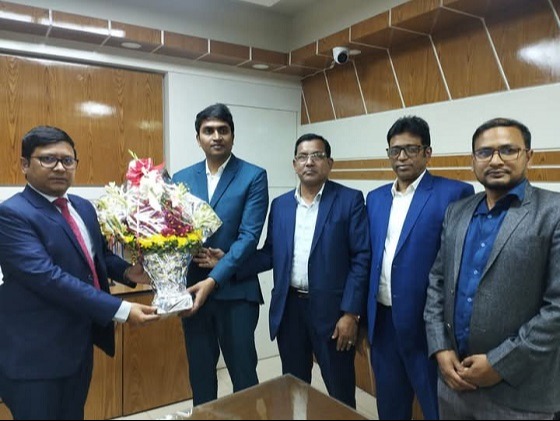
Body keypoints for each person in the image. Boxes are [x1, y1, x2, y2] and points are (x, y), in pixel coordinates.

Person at [0, 126, 159, 420]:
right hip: (34, 358)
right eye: (48, 159)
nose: (60, 167)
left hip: (77, 347)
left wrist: (129, 272)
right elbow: (48, 277)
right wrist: (121, 309)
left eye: (67, 160)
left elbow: (98, 257)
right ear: (24, 165)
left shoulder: (83, 207)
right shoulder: (11, 214)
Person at [204, 133, 370, 408]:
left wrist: (351, 313)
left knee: (339, 391)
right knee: (293, 386)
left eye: (317, 156)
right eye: (302, 157)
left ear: (329, 163)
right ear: (294, 164)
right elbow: (270, 253)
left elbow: (361, 258)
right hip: (290, 309)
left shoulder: (349, 200)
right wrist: (227, 262)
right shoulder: (281, 205)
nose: (309, 162)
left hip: (333, 313)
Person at [424, 117, 560, 419]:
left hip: (519, 393)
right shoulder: (457, 212)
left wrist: (499, 364)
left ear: (528, 155)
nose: (495, 160)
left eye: (508, 150)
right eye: (485, 152)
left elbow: (557, 309)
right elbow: (437, 282)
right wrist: (440, 348)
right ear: (473, 160)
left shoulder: (553, 213)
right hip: (453, 383)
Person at [366, 116, 474, 420]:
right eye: (395, 150)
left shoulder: (454, 193)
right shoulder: (375, 198)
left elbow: (460, 263)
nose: (402, 157)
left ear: (428, 153)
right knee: (390, 407)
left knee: (436, 408)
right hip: (383, 323)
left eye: (411, 149)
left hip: (428, 326)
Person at [172, 103, 269, 405]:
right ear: (198, 138)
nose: (216, 136)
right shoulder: (181, 178)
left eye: (223, 130)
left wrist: (216, 275)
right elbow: (172, 233)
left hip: (236, 292)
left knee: (243, 374)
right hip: (192, 291)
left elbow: (249, 237)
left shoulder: (253, 176)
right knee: (200, 374)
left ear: (232, 136)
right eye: (209, 131)